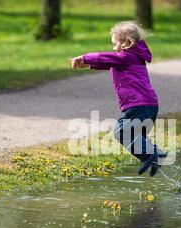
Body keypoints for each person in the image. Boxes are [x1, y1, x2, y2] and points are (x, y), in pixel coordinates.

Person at [69, 21, 166, 177]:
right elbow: (111, 62)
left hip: (140, 105)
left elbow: (107, 58)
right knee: (129, 133)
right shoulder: (131, 58)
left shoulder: (127, 57)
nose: (114, 48)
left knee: (121, 132)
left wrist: (84, 57)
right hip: (146, 105)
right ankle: (156, 154)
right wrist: (87, 65)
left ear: (127, 42)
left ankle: (151, 156)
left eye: (115, 44)